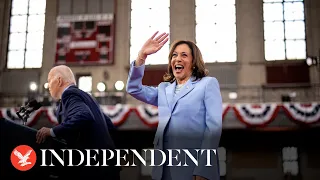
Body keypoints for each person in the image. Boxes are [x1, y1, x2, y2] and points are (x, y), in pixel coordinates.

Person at [126, 31, 223, 180]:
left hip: (193, 168)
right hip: (163, 169)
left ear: (193, 61)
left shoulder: (207, 84)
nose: (178, 59)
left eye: (184, 55)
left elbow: (213, 129)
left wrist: (203, 170)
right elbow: (134, 88)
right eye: (174, 55)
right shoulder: (164, 89)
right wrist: (141, 56)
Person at [36, 65, 120, 179]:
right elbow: (109, 126)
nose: (48, 86)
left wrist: (52, 131)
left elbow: (83, 116)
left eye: (50, 80)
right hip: (109, 167)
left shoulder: (69, 94)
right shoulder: (88, 97)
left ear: (59, 80)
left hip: (92, 170)